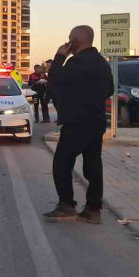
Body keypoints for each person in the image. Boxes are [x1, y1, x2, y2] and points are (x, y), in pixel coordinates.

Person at [43, 26, 113, 224]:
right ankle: (93, 209)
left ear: (75, 41)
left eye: (69, 40)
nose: (67, 44)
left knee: (62, 163)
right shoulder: (102, 63)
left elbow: (54, 83)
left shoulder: (75, 62)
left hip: (76, 123)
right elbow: (109, 90)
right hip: (97, 122)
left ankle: (66, 205)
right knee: (93, 166)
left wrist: (58, 57)